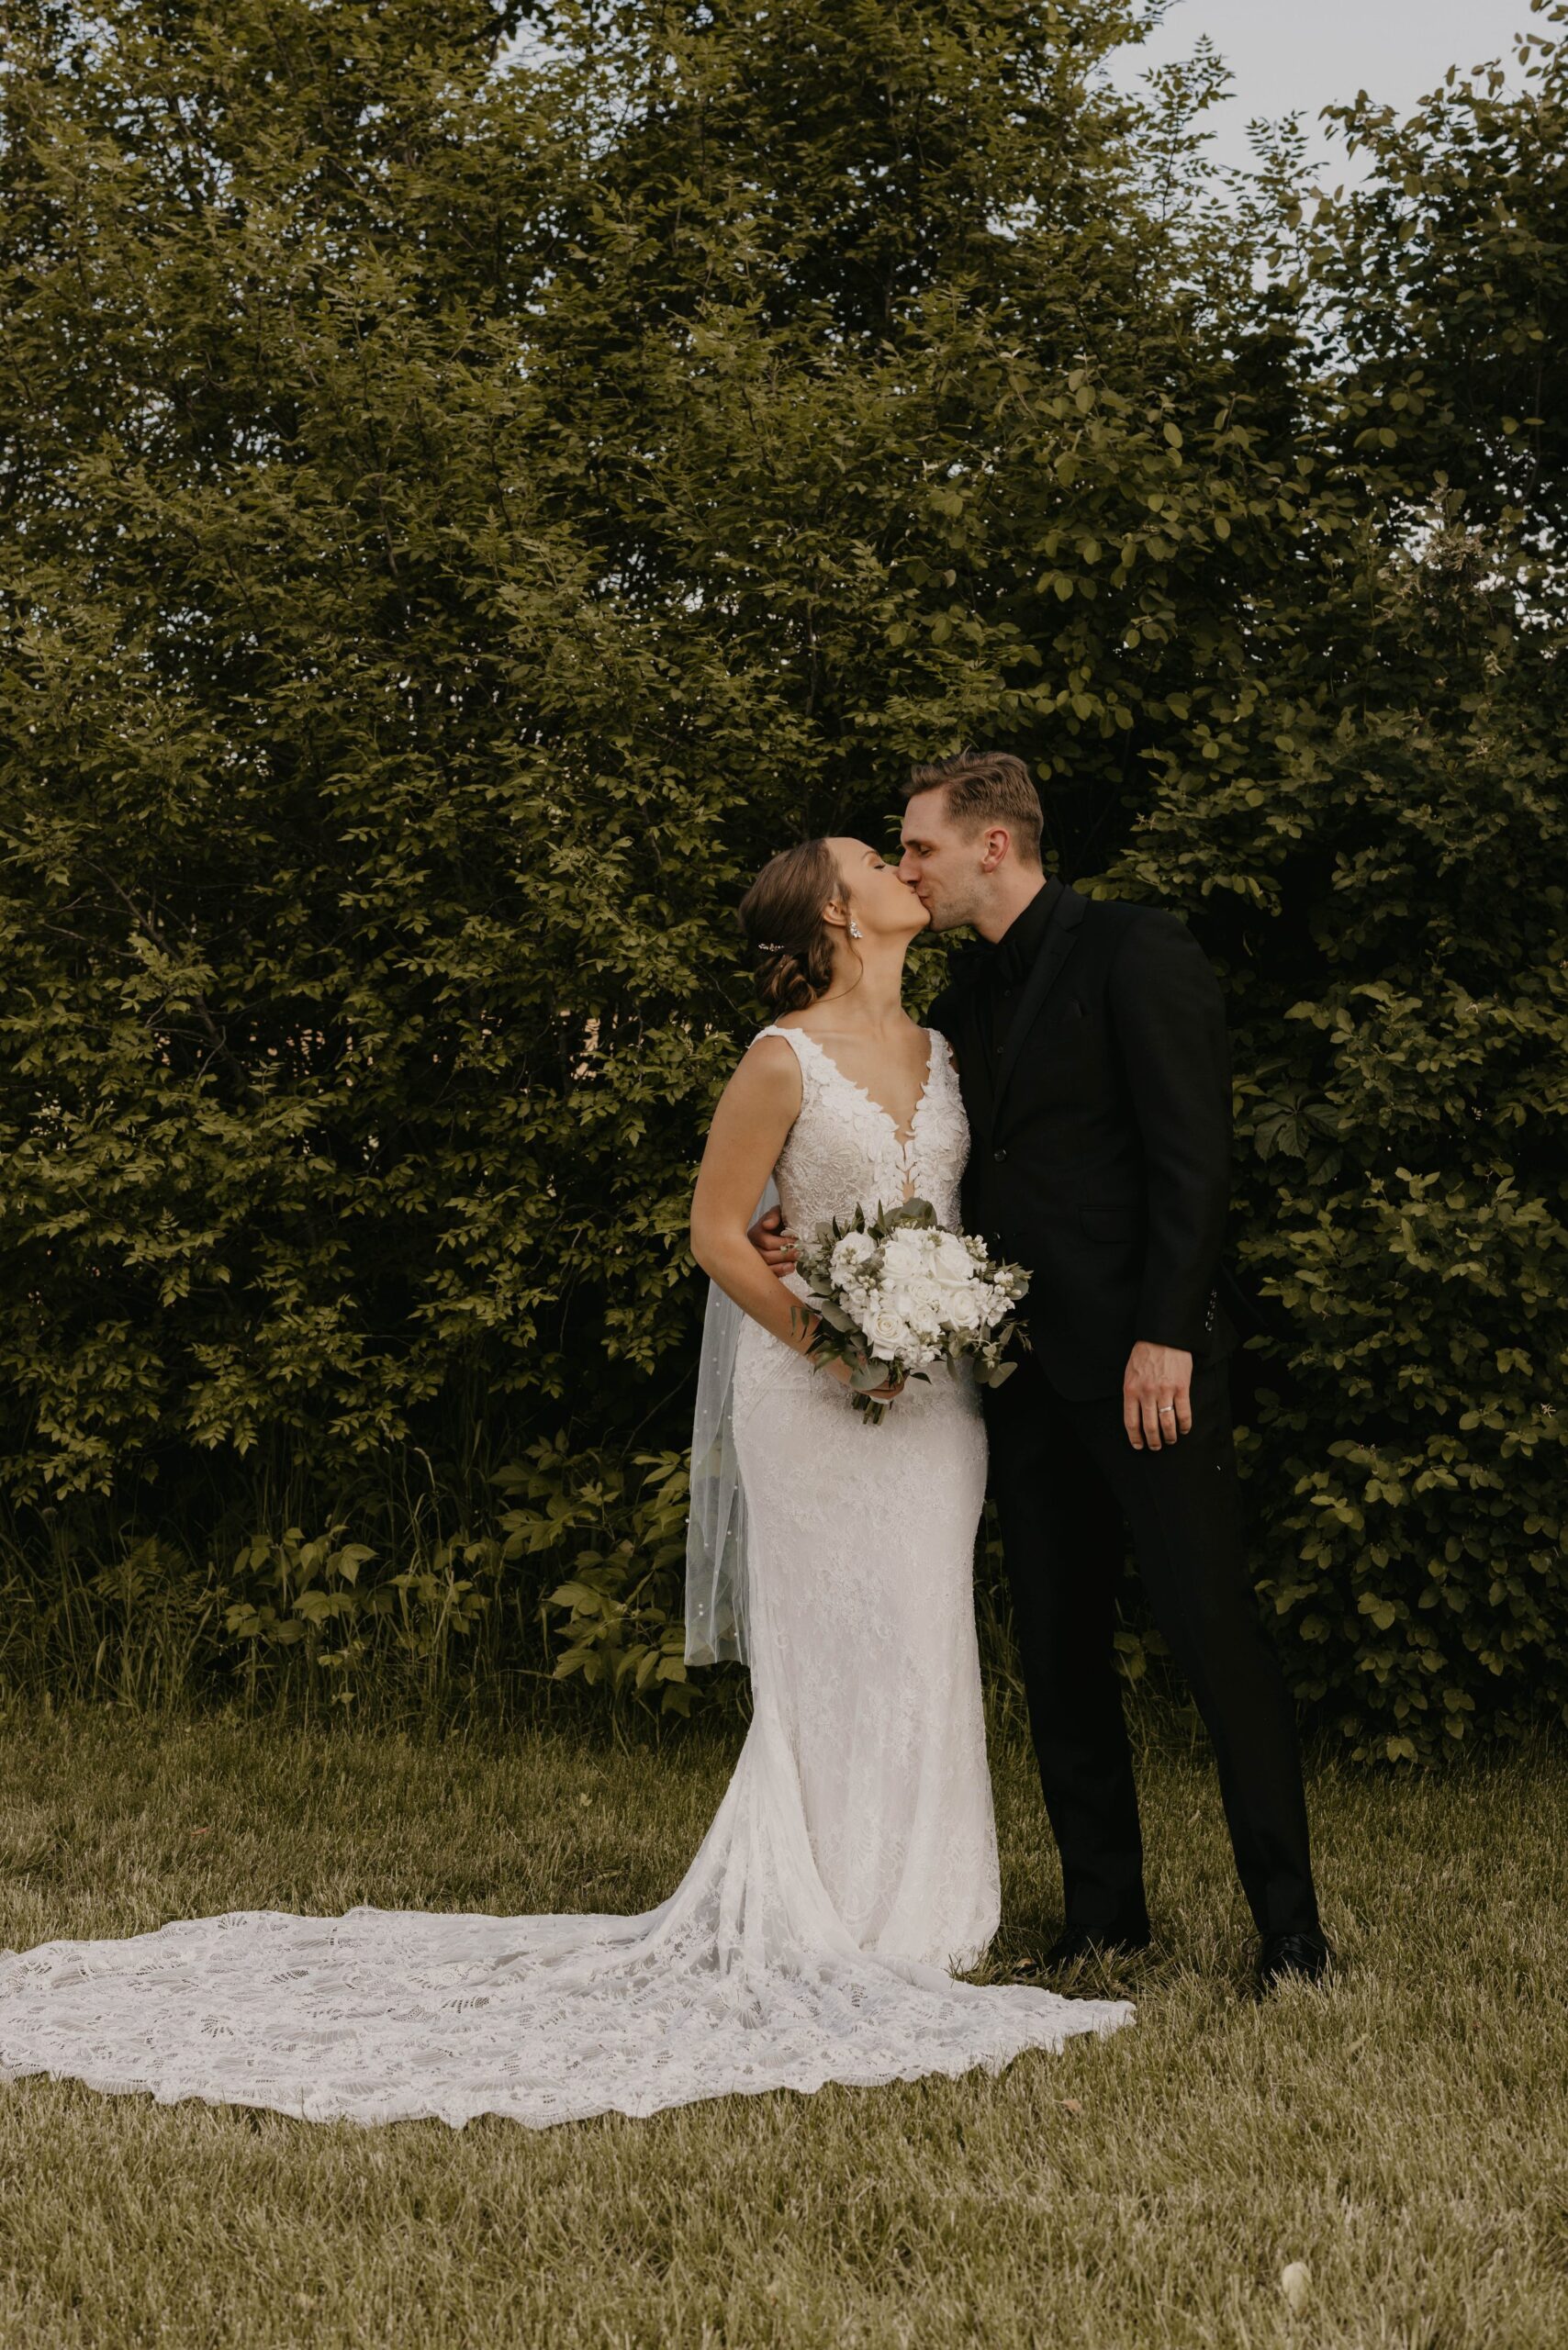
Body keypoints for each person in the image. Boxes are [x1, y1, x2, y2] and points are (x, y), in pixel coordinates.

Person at [0, 830, 1131, 2132]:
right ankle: (824, 1905)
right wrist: (831, 1342)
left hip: (937, 1400)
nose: (900, 868)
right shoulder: (779, 1060)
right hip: (810, 1397)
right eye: (877, 859)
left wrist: (933, 1316)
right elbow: (719, 1231)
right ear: (837, 907)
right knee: (829, 1640)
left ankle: (937, 1905)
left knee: (924, 1630)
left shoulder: (945, 1051)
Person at [752, 754, 1329, 1994]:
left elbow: (1195, 1157)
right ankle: (1106, 1914)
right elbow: (923, 1177)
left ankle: (1292, 1933)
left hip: (1148, 1368)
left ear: (992, 848)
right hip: (1012, 1374)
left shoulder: (1136, 951)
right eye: (898, 857)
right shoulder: (957, 1009)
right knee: (1062, 1653)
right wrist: (815, 1240)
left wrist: (1166, 1331)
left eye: (920, 850)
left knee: (1212, 1634)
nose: (909, 869)